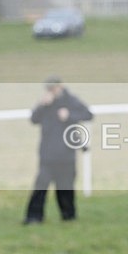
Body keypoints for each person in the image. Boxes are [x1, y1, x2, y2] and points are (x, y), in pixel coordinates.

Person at [23, 76, 93, 225]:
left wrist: (69, 116)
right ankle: (33, 218)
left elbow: (88, 114)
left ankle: (68, 217)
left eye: (53, 88)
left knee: (66, 188)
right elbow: (34, 119)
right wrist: (42, 105)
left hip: (67, 154)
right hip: (47, 155)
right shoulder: (45, 104)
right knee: (41, 187)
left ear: (60, 87)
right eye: (49, 89)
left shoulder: (71, 101)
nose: (51, 91)